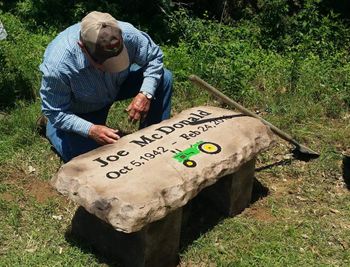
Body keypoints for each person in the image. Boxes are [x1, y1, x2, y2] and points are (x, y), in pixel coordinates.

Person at [39, 11, 173, 162]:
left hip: (117, 86)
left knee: (164, 78)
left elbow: (153, 58)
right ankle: (51, 127)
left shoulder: (129, 34)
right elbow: (55, 111)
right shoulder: (58, 66)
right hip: (81, 109)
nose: (111, 67)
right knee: (91, 159)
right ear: (82, 47)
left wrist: (146, 93)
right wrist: (90, 129)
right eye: (103, 61)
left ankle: (152, 139)